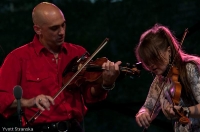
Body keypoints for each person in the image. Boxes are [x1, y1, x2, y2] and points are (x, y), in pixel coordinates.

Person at [0, 2, 121, 132]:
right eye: (54, 28)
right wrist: (29, 102)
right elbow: (2, 98)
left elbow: (90, 95)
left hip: (74, 127)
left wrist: (106, 84)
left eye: (63, 25)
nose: (61, 32)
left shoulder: (78, 53)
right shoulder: (18, 58)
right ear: (38, 29)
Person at [135, 23, 200, 132]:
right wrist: (142, 113)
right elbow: (148, 107)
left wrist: (185, 111)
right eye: (147, 61)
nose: (151, 64)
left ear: (169, 52)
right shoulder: (159, 81)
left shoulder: (190, 69)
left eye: (154, 58)